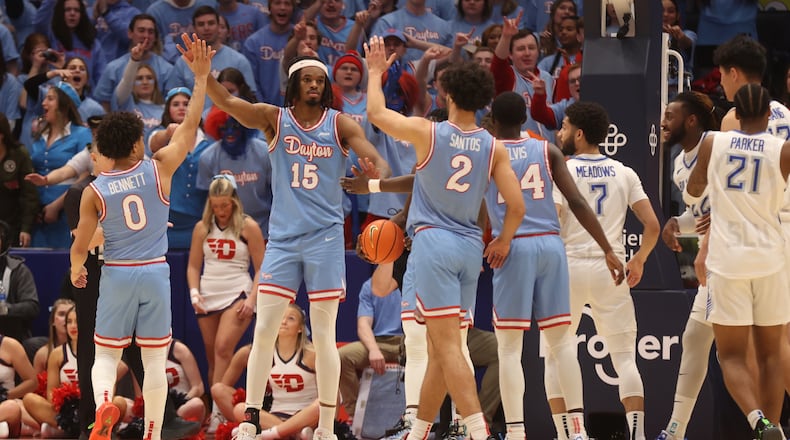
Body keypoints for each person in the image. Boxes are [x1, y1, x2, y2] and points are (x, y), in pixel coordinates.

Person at [178, 26, 390, 438]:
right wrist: (203, 76)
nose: (314, 85)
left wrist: (373, 169)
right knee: (264, 329)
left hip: (326, 238)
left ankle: (327, 427)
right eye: (307, 79)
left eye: (319, 81)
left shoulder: (340, 124)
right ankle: (251, 420)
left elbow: (372, 154)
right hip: (285, 240)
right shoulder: (274, 119)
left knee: (326, 335)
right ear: (293, 86)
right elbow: (231, 103)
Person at [364, 35, 525, 440]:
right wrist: (502, 240)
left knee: (449, 349)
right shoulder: (493, 146)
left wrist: (374, 73)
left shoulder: (427, 132)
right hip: (470, 247)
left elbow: (376, 113)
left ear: (448, 93)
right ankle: (418, 432)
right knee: (441, 348)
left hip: (433, 244)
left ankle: (477, 431)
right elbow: (516, 205)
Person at [69, 33, 213, 440]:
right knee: (153, 361)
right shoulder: (159, 167)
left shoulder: (94, 190)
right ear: (136, 144)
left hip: (116, 273)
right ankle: (152, 432)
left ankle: (102, 408)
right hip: (154, 272)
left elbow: (81, 244)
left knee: (106, 355)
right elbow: (189, 125)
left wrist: (78, 268)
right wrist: (200, 78)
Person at [480, 93, 623, 440]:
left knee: (510, 348)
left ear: (493, 122)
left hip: (513, 246)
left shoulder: (486, 153)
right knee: (562, 344)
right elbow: (576, 202)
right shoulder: (547, 150)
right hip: (551, 245)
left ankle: (515, 431)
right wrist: (607, 248)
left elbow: (475, 206)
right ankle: (576, 431)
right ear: (524, 118)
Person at [685, 83, 790, 440]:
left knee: (730, 355)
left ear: (737, 114)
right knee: (772, 355)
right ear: (768, 115)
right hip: (771, 259)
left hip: (728, 261)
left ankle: (757, 420)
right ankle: (773, 429)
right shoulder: (784, 150)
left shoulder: (714, 142)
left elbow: (694, 190)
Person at [549, 101, 658, 440]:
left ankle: (568, 435)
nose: (560, 132)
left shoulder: (561, 169)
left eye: (565, 127)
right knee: (625, 358)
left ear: (579, 134)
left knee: (556, 354)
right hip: (611, 270)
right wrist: (638, 259)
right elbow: (652, 225)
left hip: (568, 266)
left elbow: (554, 222)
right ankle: (637, 435)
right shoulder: (625, 173)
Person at [656, 91, 721, 440]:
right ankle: (675, 429)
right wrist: (675, 223)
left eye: (670, 115)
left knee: (757, 350)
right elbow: (699, 216)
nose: (663, 122)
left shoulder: (718, 144)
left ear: (691, 120)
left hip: (735, 256)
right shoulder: (679, 161)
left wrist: (724, 217)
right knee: (695, 338)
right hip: (713, 261)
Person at [186, 174, 264, 425]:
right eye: (216, 205)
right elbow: (193, 267)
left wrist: (252, 299)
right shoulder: (202, 228)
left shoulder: (248, 226)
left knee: (222, 348)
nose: (220, 210)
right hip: (208, 295)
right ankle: (219, 410)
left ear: (234, 201)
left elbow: (262, 267)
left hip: (238, 293)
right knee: (213, 357)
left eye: (225, 205)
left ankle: (218, 414)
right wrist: (194, 293)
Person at [211, 304, 320, 440]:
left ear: (300, 328)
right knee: (240, 409)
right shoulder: (262, 354)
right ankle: (293, 434)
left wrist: (332, 426)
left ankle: (268, 434)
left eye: (291, 318)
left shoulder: (312, 355)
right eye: (280, 317)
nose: (284, 322)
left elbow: (334, 396)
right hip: (274, 415)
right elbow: (224, 386)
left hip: (305, 416)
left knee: (321, 404)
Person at [27, 81, 92, 248]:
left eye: (50, 99)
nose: (43, 103)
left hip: (67, 212)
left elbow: (86, 173)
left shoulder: (82, 133)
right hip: (37, 214)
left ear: (63, 104)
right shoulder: (40, 134)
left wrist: (56, 206)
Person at [149, 86, 213, 248]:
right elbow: (153, 145)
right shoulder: (161, 135)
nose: (182, 107)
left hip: (199, 217)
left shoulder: (208, 139)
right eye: (176, 104)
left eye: (186, 104)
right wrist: (168, 133)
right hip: (168, 218)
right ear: (167, 109)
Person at [198, 106, 273, 237]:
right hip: (225, 232)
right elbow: (206, 202)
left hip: (265, 229)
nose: (230, 132)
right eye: (224, 128)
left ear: (245, 127)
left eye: (235, 127)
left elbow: (277, 194)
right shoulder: (208, 157)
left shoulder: (264, 152)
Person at [337, 277, 403, 419]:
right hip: (378, 342)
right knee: (342, 356)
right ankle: (355, 416)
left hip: (409, 342)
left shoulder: (417, 280)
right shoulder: (369, 286)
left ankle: (425, 417)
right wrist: (373, 349)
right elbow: (363, 324)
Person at [492, 11, 554, 141]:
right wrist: (506, 36)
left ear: (538, 52)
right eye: (520, 49)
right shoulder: (509, 77)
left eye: (531, 48)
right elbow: (498, 65)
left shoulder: (549, 79)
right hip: (517, 150)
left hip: (547, 151)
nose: (527, 53)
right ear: (510, 55)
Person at [93, 13, 174, 113]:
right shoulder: (113, 68)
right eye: (141, 31)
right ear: (130, 33)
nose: (146, 36)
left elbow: (172, 103)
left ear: (156, 37)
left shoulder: (167, 69)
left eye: (151, 32)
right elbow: (104, 103)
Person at [0, 114, 38, 248]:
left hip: (13, 226)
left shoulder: (19, 154)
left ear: (1, 135)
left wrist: (26, 228)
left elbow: (29, 195)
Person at [0, 220, 40, 343]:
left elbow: (32, 307)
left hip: (10, 337)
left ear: (5, 242)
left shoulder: (18, 270)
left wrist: (5, 309)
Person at [0, 333, 37, 439]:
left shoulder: (10, 345)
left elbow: (32, 382)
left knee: (12, 408)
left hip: (6, 402)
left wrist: (6, 395)